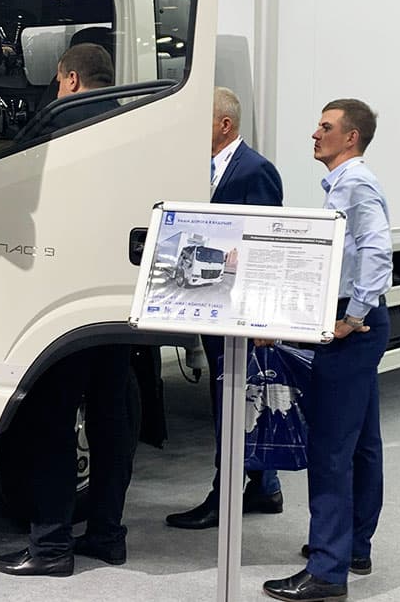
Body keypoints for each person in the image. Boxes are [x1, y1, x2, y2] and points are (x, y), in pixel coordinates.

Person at [0, 42, 135, 578]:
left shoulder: (60, 119)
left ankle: (50, 546)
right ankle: (107, 534)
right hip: (117, 297)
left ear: (69, 78)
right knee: (111, 419)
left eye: (57, 80)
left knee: (49, 420)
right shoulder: (136, 123)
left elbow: (8, 188)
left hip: (61, 298)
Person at [261, 99, 393, 602]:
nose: (315, 134)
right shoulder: (346, 183)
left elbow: (377, 251)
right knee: (361, 443)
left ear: (351, 137)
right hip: (361, 324)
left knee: (331, 449)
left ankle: (327, 570)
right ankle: (353, 547)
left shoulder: (355, 183)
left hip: (353, 327)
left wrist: (353, 317)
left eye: (325, 127)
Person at [167, 87, 285, 530]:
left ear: (224, 124)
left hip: (240, 312)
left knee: (236, 401)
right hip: (211, 304)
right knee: (237, 398)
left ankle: (226, 496)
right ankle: (265, 487)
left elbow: (265, 245)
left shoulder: (256, 170)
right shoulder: (198, 168)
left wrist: (262, 315)